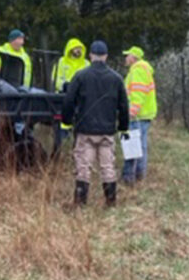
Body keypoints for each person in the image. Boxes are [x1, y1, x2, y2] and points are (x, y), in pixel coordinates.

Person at [62, 40, 129, 207]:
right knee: (108, 167)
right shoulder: (116, 78)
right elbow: (123, 105)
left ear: (91, 55)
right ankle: (111, 202)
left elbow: (69, 100)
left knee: (83, 168)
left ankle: (80, 204)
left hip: (85, 130)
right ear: (106, 56)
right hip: (107, 131)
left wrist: (67, 121)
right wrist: (122, 126)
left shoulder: (80, 76)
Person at [121, 46, 157, 185]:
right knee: (140, 146)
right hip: (142, 114)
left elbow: (138, 93)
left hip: (137, 115)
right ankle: (139, 176)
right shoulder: (142, 69)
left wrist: (131, 112)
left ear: (133, 57)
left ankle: (130, 177)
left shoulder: (138, 70)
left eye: (127, 55)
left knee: (132, 146)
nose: (125, 58)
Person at [52, 38, 90, 147]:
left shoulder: (86, 63)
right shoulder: (62, 62)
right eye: (76, 48)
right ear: (70, 49)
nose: (78, 51)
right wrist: (64, 86)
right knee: (61, 131)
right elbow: (55, 78)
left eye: (80, 48)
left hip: (81, 98)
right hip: (63, 97)